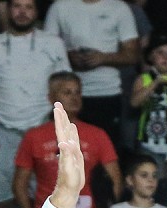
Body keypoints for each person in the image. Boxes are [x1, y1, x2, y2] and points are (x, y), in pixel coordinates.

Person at [0, 0, 70, 205]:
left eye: (28, 7)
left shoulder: (53, 43)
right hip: (1, 130)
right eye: (17, 6)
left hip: (42, 128)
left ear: (36, 12)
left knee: (46, 197)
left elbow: (64, 88)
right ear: (8, 10)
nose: (22, 12)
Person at [13, 73, 120, 208]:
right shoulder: (34, 136)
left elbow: (116, 180)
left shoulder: (97, 134)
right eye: (67, 93)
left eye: (78, 92)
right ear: (51, 98)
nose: (74, 98)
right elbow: (19, 185)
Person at [43, 0, 141, 137]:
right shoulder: (59, 6)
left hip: (107, 92)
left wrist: (103, 58)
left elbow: (133, 55)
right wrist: (69, 57)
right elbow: (45, 48)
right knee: (65, 144)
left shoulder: (119, 8)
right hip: (66, 93)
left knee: (104, 144)